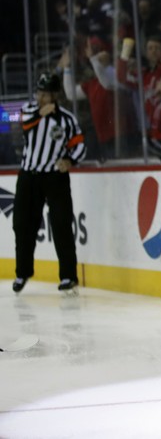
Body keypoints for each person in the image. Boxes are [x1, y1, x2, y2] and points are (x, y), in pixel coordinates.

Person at [12, 72, 86, 294]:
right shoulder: (28, 110)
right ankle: (23, 272)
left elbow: (79, 144)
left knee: (61, 224)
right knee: (22, 224)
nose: (40, 97)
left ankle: (68, 276)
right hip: (29, 176)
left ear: (55, 95)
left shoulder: (67, 119)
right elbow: (24, 126)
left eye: (45, 94)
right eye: (39, 93)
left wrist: (70, 160)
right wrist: (40, 116)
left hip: (54, 178)